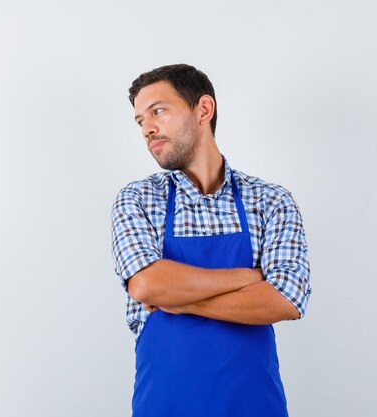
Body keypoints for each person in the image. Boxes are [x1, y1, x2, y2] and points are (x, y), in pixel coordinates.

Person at [111, 64, 311, 417]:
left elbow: (285, 299)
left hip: (254, 406)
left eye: (158, 111)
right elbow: (146, 285)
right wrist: (247, 278)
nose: (148, 129)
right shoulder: (137, 199)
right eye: (141, 121)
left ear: (203, 109)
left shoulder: (270, 201)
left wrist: (179, 301)